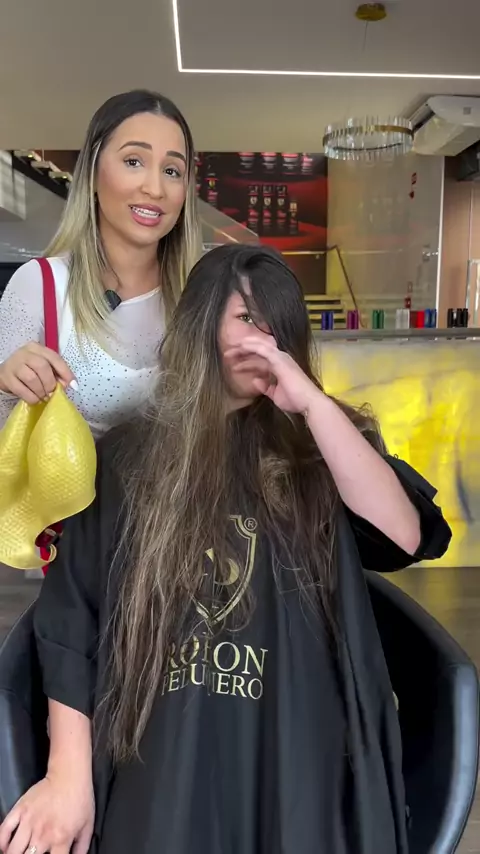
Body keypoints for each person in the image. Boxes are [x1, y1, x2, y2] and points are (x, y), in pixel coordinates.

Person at [0, 245, 451, 854]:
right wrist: (67, 776)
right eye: (245, 318)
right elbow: (70, 620)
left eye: (277, 326)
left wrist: (312, 404)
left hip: (295, 748)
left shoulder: (322, 452)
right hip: (158, 748)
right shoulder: (127, 458)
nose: (265, 340)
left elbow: (404, 535)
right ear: (201, 321)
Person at [0, 88, 200, 438]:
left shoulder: (199, 294)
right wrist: (5, 383)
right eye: (133, 161)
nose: (155, 189)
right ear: (92, 173)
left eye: (172, 170)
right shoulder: (40, 284)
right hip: (68, 477)